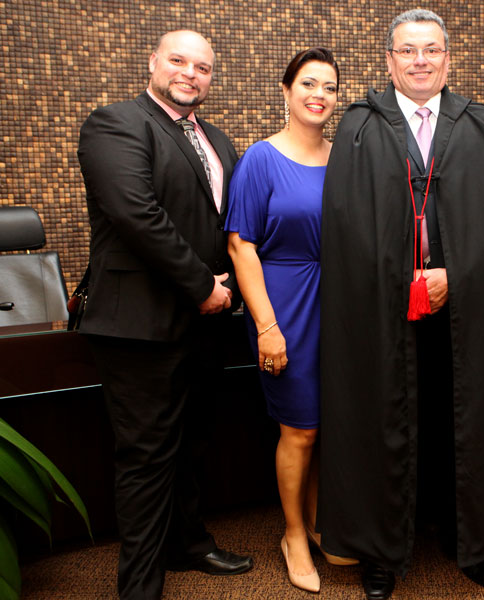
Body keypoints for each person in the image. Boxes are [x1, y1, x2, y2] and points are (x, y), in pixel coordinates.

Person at [316, 9, 484, 600]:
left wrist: (453, 275)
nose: (420, 61)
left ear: (447, 58)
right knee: (385, 416)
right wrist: (398, 278)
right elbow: (347, 222)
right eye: (408, 50)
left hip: (463, 304)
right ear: (389, 61)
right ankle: (381, 550)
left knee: (461, 416)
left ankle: (473, 542)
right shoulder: (360, 125)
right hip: (382, 307)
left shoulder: (477, 122)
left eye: (431, 50)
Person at [77, 30, 252, 599]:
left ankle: (188, 544)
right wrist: (202, 285)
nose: (190, 74)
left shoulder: (217, 140)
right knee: (147, 457)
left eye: (202, 67)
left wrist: (231, 290)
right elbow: (136, 214)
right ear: (153, 62)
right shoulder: (116, 123)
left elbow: (225, 226)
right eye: (178, 61)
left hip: (205, 323)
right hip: (140, 324)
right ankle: (140, 587)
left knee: (193, 443)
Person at [226, 47, 355, 594]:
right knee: (299, 428)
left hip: (340, 303)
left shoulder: (345, 158)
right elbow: (240, 246)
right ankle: (294, 534)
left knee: (330, 424)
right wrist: (266, 326)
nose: (318, 95)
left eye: (329, 86)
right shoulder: (261, 158)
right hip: (284, 303)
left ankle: (324, 523)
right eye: (307, 83)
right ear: (286, 90)